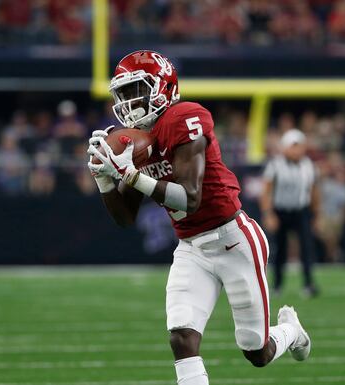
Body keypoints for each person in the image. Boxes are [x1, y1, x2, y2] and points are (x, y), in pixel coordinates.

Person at [86, 50, 311, 385]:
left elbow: (191, 198)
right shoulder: (135, 143)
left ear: (163, 86)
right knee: (182, 338)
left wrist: (131, 176)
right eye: (125, 94)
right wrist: (106, 182)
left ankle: (290, 331)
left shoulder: (185, 116)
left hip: (234, 240)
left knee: (256, 351)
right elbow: (125, 219)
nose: (130, 103)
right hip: (191, 248)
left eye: (138, 91)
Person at [259, 128, 320, 297]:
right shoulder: (275, 165)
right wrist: (268, 213)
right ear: (285, 147)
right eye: (293, 146)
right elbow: (266, 191)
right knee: (280, 249)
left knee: (307, 247)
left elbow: (314, 191)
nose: (297, 150)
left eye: (299, 146)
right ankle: (277, 285)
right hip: (281, 211)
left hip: (301, 211)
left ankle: (309, 283)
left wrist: (316, 214)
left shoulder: (308, 165)